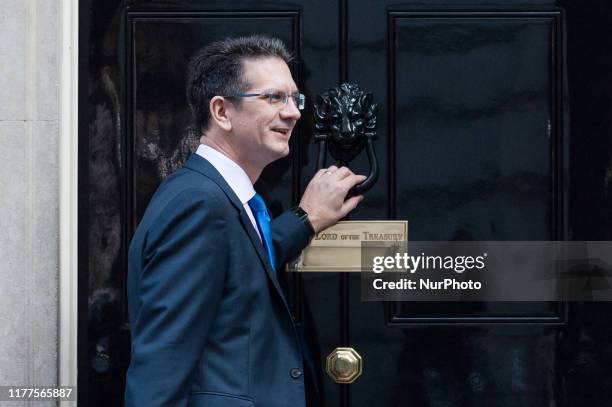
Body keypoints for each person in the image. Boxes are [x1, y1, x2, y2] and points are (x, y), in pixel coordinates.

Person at [124, 35, 366, 407]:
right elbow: (162, 365)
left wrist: (306, 219)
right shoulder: (198, 205)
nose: (294, 112)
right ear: (221, 111)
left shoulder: (220, 198)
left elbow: (241, 265)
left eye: (294, 98)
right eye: (274, 98)